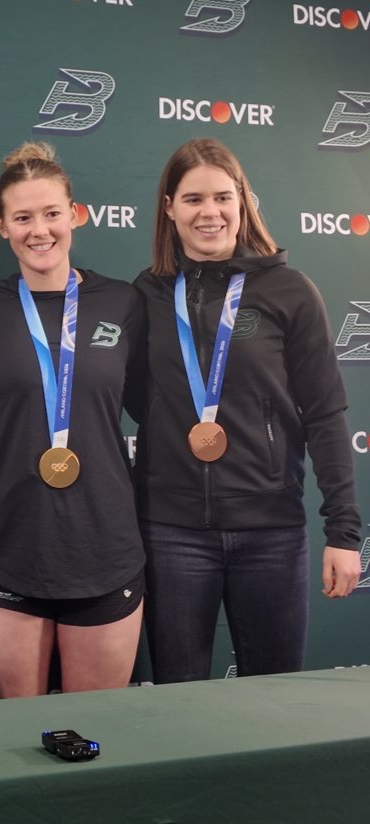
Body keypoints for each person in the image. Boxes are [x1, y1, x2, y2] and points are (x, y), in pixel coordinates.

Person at [134, 137, 362, 684]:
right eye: (192, 200)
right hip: (171, 531)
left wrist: (344, 533)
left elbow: (326, 415)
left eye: (222, 197)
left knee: (274, 703)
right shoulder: (145, 296)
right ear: (169, 209)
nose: (209, 213)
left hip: (272, 532)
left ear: (243, 202)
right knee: (178, 700)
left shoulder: (290, 292)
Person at [0, 142, 146, 698]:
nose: (38, 230)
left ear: (75, 215)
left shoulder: (123, 304)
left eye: (50, 214)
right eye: (22, 217)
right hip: (9, 548)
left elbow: (158, 410)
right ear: (1, 226)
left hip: (104, 547)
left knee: (95, 736)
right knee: (14, 739)